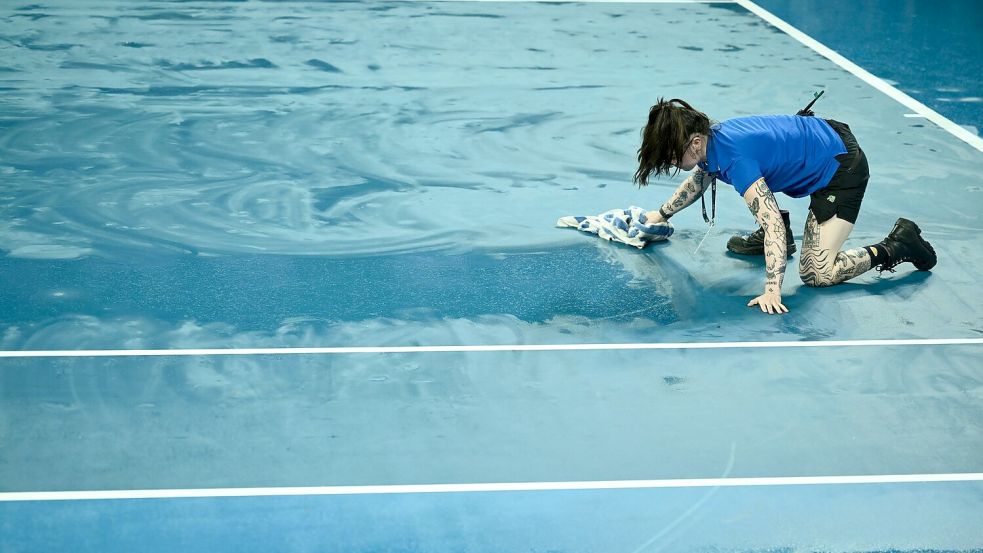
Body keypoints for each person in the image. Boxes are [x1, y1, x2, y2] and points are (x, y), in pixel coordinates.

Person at [633, 98, 937, 315]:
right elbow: (701, 178)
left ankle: (898, 244)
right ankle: (783, 243)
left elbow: (773, 223)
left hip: (841, 168)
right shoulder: (713, 144)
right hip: (820, 141)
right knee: (769, 217)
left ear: (696, 142)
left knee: (817, 273)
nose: (670, 162)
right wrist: (660, 215)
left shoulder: (736, 160)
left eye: (672, 155)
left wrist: (772, 289)